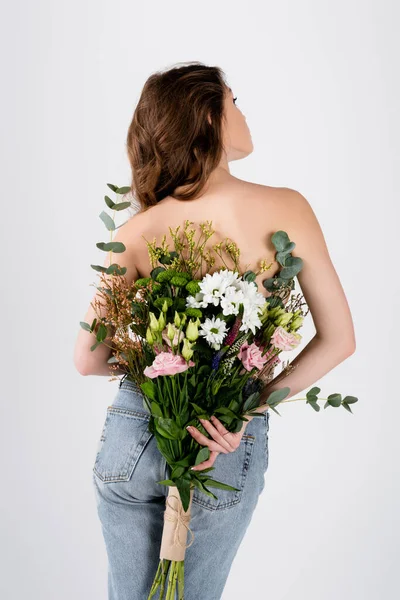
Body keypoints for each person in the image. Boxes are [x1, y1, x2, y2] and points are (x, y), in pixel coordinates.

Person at [73, 62, 356, 599]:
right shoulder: (284, 207)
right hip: (219, 438)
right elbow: (339, 338)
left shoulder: (135, 230)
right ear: (209, 114)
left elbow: (88, 358)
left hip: (135, 433)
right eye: (234, 100)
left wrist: (162, 366)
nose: (243, 112)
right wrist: (244, 404)